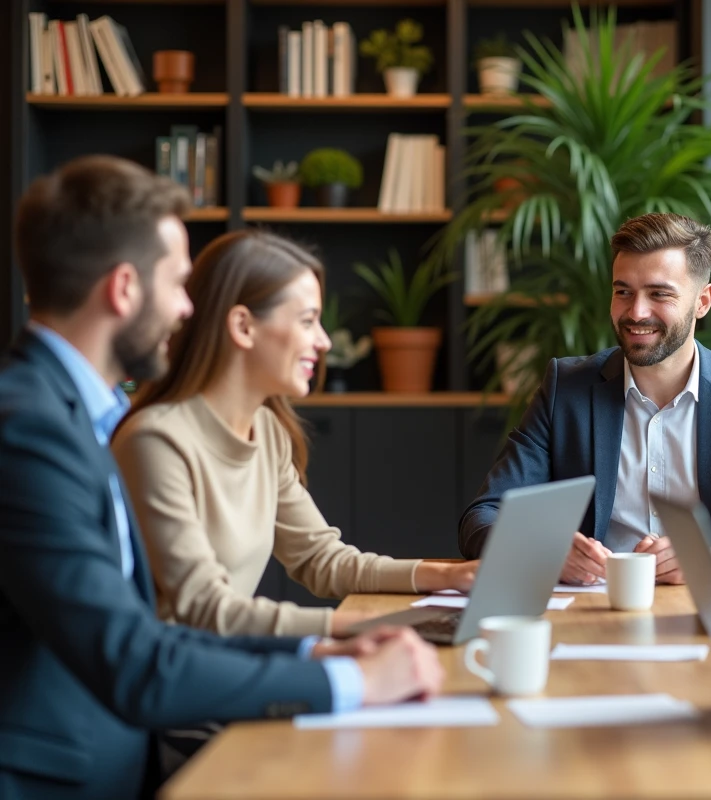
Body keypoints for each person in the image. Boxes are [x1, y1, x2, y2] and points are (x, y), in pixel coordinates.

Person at [0, 156, 443, 800]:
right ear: (124, 289)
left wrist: (315, 655)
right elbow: (136, 657)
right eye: (178, 283)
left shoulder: (78, 414)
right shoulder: (32, 427)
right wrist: (348, 679)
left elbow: (147, 639)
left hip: (119, 752)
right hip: (67, 775)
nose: (187, 308)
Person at [111, 230, 478, 639]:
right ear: (244, 326)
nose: (323, 341)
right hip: (179, 682)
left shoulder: (266, 430)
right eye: (307, 321)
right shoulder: (156, 443)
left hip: (231, 664)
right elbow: (206, 609)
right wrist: (364, 626)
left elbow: (321, 559)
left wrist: (446, 575)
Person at [459, 212, 711, 584]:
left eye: (659, 294)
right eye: (623, 291)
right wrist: (543, 551)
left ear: (702, 301)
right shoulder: (566, 389)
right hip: (591, 615)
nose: (636, 312)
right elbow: (484, 515)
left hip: (709, 614)